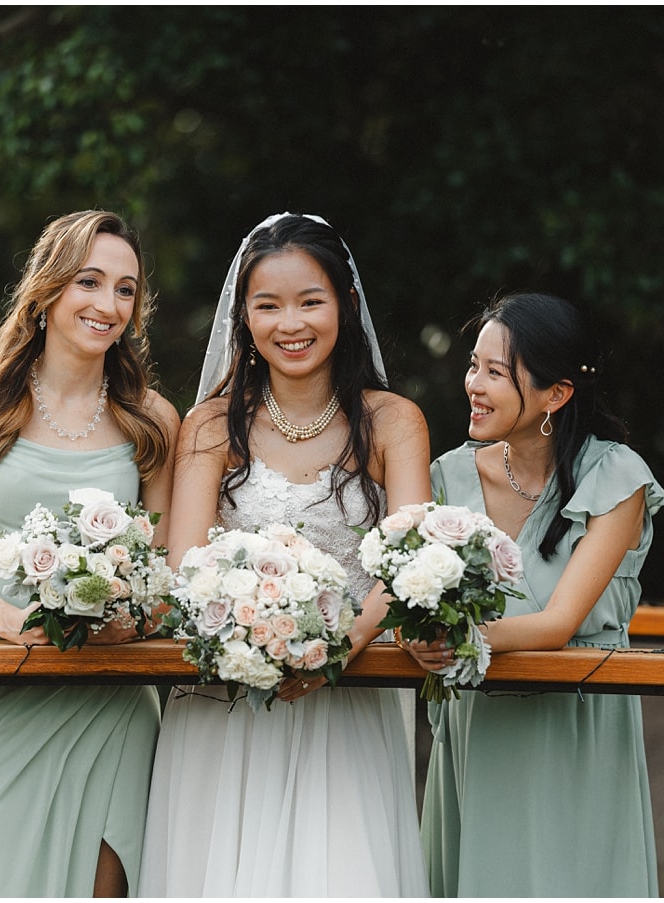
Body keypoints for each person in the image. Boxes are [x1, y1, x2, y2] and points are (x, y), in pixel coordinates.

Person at [140, 213, 431, 896]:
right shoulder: (211, 425)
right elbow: (186, 565)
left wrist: (339, 646)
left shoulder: (393, 420)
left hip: (349, 700)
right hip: (224, 699)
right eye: (267, 304)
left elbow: (409, 562)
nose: (289, 323)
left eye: (310, 301)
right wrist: (249, 630)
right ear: (243, 317)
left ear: (346, 305)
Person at [0, 210, 178, 896]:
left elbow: (165, 568)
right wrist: (15, 627)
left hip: (110, 694)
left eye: (126, 289)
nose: (108, 305)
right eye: (90, 281)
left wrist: (132, 616)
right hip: (1, 679)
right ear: (48, 289)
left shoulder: (151, 417)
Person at [407, 292, 664, 897]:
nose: (474, 384)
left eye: (496, 372)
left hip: (576, 722)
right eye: (473, 365)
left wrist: (458, 637)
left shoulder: (617, 477)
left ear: (557, 394)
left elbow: (558, 623)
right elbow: (412, 597)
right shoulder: (446, 475)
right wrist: (414, 635)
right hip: (479, 724)